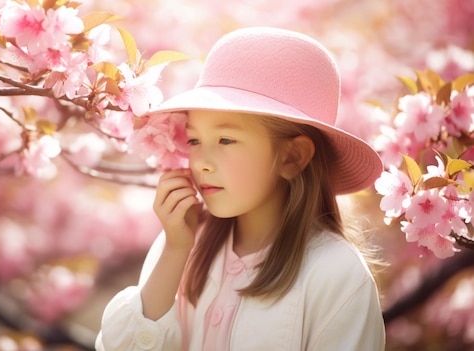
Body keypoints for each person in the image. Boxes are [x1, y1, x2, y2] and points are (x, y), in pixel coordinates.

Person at [95, 27, 386, 350]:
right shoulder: (182, 244)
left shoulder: (337, 273)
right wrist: (176, 251)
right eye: (194, 140)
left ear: (292, 156)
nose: (201, 162)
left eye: (225, 140)